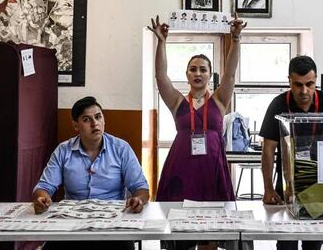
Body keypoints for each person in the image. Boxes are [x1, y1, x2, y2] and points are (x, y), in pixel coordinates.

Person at [148, 14, 246, 250]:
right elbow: (161, 77)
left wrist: (236, 38)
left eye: (203, 69)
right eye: (193, 69)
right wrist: (161, 42)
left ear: (209, 74)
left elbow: (231, 74)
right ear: (187, 75)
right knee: (180, 233)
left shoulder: (220, 100)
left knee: (210, 234)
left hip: (211, 169)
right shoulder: (177, 102)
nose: (198, 73)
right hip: (181, 169)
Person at [260, 55, 323, 250]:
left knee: (314, 242)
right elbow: (268, 148)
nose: (304, 91)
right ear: (289, 81)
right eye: (298, 84)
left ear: (316, 80)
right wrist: (268, 188)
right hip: (288, 183)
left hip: (319, 186)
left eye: (309, 84)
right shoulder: (278, 104)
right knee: (286, 243)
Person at [33, 96, 149, 250]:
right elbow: (44, 187)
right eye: (87, 119)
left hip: (113, 225)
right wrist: (42, 198)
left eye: (98, 117)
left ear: (104, 120)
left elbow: (141, 187)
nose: (95, 123)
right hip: (71, 224)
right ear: (76, 125)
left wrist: (138, 200)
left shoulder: (121, 148)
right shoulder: (63, 151)